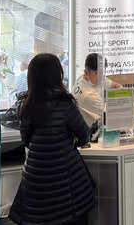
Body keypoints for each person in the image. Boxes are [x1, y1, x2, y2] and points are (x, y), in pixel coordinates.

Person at [9, 53, 95, 225]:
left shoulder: (26, 104)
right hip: (67, 184)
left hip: (35, 182)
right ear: (58, 75)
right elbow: (84, 135)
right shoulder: (64, 102)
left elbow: (26, 140)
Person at [72, 53, 121, 127]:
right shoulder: (88, 96)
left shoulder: (84, 78)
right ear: (86, 72)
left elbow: (115, 85)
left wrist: (122, 91)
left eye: (103, 73)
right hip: (88, 132)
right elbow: (111, 117)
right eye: (96, 74)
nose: (101, 78)